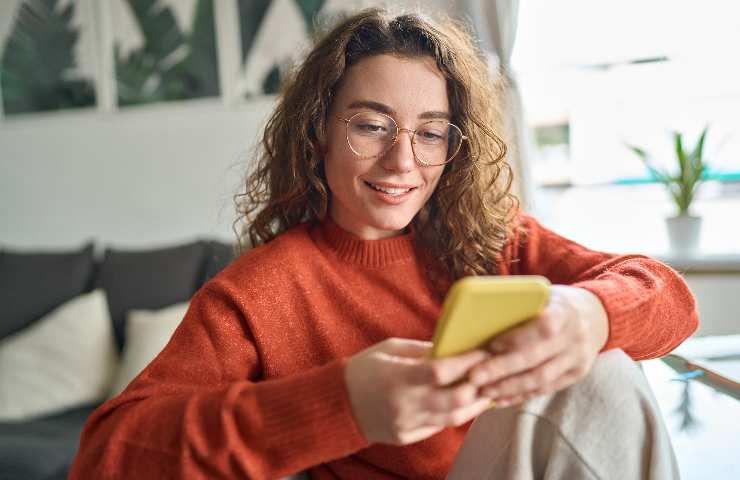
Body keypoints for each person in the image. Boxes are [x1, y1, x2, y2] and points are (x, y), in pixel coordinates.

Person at [70, 8, 698, 480]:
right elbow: (105, 456)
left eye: (430, 134)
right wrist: (340, 405)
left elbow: (668, 297)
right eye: (371, 125)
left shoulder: (495, 239)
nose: (403, 161)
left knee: (605, 365)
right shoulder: (256, 295)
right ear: (317, 132)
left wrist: (588, 315)